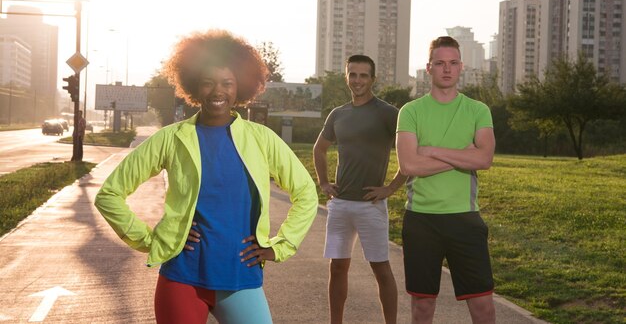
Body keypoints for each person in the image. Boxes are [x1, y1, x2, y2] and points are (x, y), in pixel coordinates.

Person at [94, 29, 319, 324]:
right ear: (194, 87)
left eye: (227, 83)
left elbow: (306, 193)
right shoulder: (171, 139)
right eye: (208, 83)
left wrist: (280, 246)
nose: (218, 91)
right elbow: (109, 195)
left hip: (241, 277)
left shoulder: (262, 139)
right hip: (181, 279)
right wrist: (152, 240)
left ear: (240, 88)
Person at [396, 36, 496, 324]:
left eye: (453, 63)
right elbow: (409, 164)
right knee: (423, 307)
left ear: (461, 66)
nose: (447, 69)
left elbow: (484, 159)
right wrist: (461, 155)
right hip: (421, 220)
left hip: (465, 218)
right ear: (429, 68)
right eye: (440, 63)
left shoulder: (478, 110)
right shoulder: (411, 111)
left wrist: (433, 151)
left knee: (483, 306)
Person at [313, 54, 407, 324]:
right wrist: (323, 182)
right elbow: (320, 149)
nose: (357, 80)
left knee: (381, 269)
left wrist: (391, 187)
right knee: (338, 267)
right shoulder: (338, 114)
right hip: (341, 204)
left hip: (371, 205)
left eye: (363, 75)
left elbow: (412, 152)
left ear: (373, 79)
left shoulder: (388, 113)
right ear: (347, 77)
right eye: (352, 75)